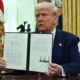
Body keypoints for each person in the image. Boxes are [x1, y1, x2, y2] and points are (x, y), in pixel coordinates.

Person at [0, 1, 80, 77]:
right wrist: (8, 67)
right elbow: (21, 69)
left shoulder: (69, 39)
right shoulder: (26, 39)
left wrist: (60, 69)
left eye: (44, 15)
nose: (39, 19)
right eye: (37, 16)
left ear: (55, 19)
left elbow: (77, 64)